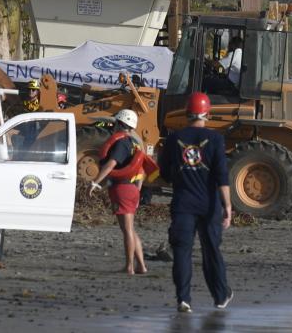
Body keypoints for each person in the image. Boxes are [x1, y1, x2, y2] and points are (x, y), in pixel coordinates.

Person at [158, 93, 233, 313]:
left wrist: (180, 177)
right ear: (207, 113)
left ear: (186, 112)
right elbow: (221, 176)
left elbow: (164, 171)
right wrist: (227, 207)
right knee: (211, 250)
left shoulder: (174, 139)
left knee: (182, 251)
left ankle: (183, 298)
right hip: (209, 205)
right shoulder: (216, 139)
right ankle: (220, 297)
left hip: (182, 203)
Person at [89, 110, 148, 276]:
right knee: (130, 229)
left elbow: (110, 164)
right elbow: (141, 171)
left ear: (120, 124)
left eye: (115, 124)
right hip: (131, 188)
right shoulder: (134, 143)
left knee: (127, 229)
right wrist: (137, 190)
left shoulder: (121, 143)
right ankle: (141, 266)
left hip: (122, 188)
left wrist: (95, 182)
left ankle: (129, 267)